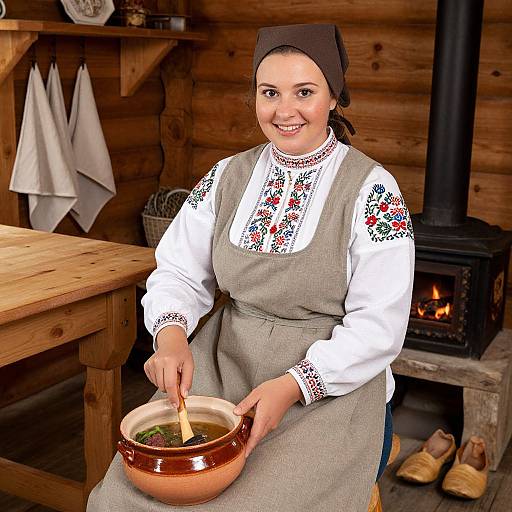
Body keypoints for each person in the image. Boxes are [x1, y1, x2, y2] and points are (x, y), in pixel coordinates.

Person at [87, 23, 414, 512]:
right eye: (270, 92)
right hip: (224, 365)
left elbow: (379, 326)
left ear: (334, 98)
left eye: (305, 91)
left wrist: (294, 385)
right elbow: (178, 269)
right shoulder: (227, 176)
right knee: (125, 497)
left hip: (325, 388)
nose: (285, 110)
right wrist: (171, 335)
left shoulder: (372, 189)